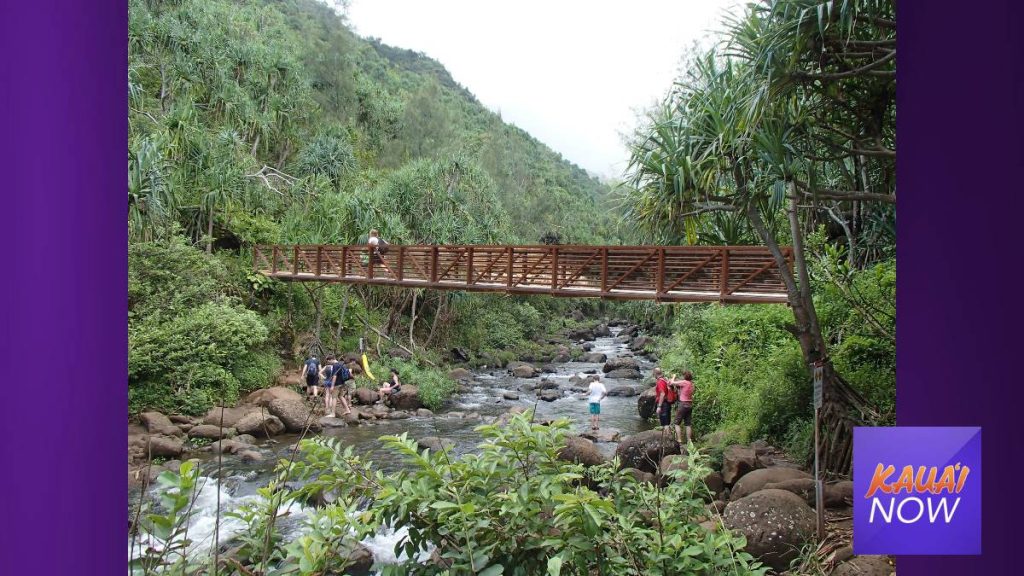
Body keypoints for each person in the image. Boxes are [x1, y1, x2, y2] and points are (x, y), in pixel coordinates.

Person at [672, 371, 695, 444]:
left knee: (676, 423)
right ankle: (689, 441)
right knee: (688, 424)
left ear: (685, 377)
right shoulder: (692, 384)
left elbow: (672, 383)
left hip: (683, 404)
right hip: (690, 404)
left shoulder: (684, 382)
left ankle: (679, 440)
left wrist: (674, 377)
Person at [653, 368, 676, 433]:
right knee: (667, 423)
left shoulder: (660, 382)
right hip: (667, 403)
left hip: (664, 404)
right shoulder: (665, 379)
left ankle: (667, 440)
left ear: (655, 374)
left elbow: (662, 394)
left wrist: (659, 406)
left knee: (665, 424)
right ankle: (668, 439)